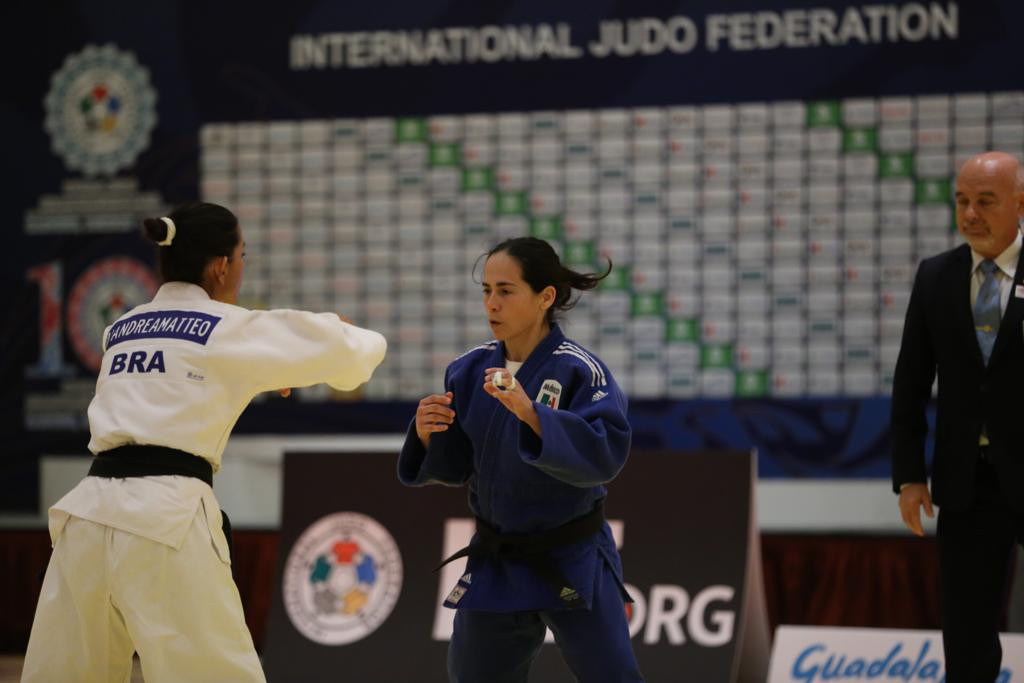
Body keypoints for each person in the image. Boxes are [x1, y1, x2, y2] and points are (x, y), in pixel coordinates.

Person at [21, 202, 387, 682]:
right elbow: (358, 347)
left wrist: (261, 368)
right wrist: (324, 340)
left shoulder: (121, 329)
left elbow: (185, 370)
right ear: (220, 266)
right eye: (241, 257)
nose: (240, 269)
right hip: (164, 521)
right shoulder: (227, 327)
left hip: (85, 520)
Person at [398, 237, 644, 682]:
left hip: (571, 553)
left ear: (545, 297)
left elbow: (604, 453)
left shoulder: (579, 369)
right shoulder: (467, 370)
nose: (492, 303)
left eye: (506, 291)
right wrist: (426, 432)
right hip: (498, 557)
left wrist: (532, 415)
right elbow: (456, 467)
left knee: (614, 677)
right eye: (487, 291)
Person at [892, 151, 1024, 680]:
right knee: (967, 635)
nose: (970, 213)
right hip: (967, 483)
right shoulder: (936, 278)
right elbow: (910, 384)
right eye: (962, 201)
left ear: (1020, 204)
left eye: (985, 201)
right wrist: (908, 476)